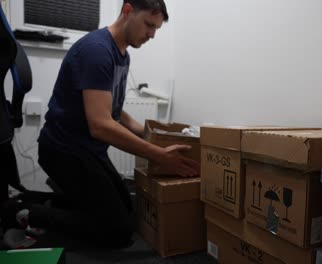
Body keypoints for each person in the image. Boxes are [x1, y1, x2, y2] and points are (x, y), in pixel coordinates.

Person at [1, 0, 198, 249]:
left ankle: (40, 201)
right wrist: (159, 155)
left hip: (88, 150)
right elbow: (101, 125)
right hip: (64, 151)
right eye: (149, 25)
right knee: (118, 230)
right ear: (127, 11)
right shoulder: (97, 51)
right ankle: (27, 211)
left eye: (156, 29)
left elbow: (112, 110)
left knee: (127, 206)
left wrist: (155, 134)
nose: (152, 35)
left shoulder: (122, 54)